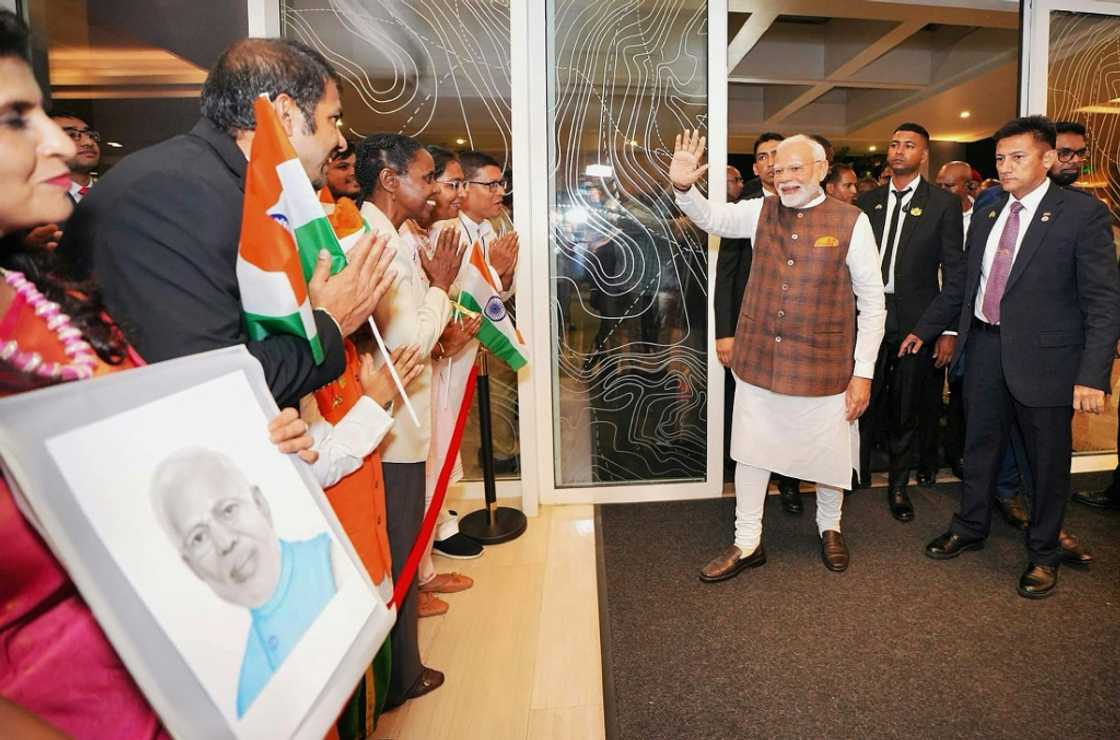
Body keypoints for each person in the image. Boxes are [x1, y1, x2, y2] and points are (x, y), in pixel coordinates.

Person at [0, 13, 318, 736]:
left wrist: (251, 448)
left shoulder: (47, 298)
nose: (58, 142)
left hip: (192, 677)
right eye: (17, 119)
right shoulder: (176, 196)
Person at [62, 37, 395, 409]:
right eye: (333, 119)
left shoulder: (227, 187)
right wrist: (330, 320)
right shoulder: (174, 194)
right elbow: (208, 386)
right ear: (285, 114)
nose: (341, 140)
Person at [904, 115, 1120, 599]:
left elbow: (1104, 302)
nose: (1005, 166)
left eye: (1017, 157)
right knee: (979, 447)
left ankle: (1044, 553)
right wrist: (927, 327)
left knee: (1046, 462)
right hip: (982, 347)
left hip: (1048, 361)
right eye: (1000, 158)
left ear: (1047, 159)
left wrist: (1092, 375)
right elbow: (964, 284)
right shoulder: (987, 209)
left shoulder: (1082, 215)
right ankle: (971, 524)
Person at [671, 130, 886, 580]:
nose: (783, 176)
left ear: (821, 170)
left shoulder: (851, 221)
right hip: (760, 363)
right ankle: (747, 541)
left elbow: (872, 302)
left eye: (795, 168)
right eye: (778, 168)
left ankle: (830, 527)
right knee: (751, 452)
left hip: (826, 366)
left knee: (828, 454)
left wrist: (862, 372)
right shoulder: (759, 211)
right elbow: (712, 218)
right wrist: (684, 188)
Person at [354, 132, 463, 705]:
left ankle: (404, 669)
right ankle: (398, 679)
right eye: (425, 178)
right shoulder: (375, 243)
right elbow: (406, 349)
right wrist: (441, 287)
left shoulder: (394, 236)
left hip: (406, 418)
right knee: (396, 549)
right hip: (392, 423)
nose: (432, 190)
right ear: (391, 181)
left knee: (404, 539)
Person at [150, 448, 344, 718]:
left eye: (228, 510)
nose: (225, 542)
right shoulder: (250, 693)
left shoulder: (337, 564)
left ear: (260, 504)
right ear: (192, 567)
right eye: (198, 538)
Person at [855, 123, 964, 523]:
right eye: (894, 144)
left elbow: (955, 275)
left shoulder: (942, 205)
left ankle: (899, 486)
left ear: (923, 155)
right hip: (867, 313)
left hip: (917, 319)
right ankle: (856, 472)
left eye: (909, 145)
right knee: (863, 399)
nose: (899, 151)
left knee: (906, 406)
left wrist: (946, 330)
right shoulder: (868, 202)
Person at [1049, 121, 1088, 187]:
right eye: (1065, 153)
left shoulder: (1079, 196)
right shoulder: (1029, 195)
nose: (1076, 160)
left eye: (1080, 152)